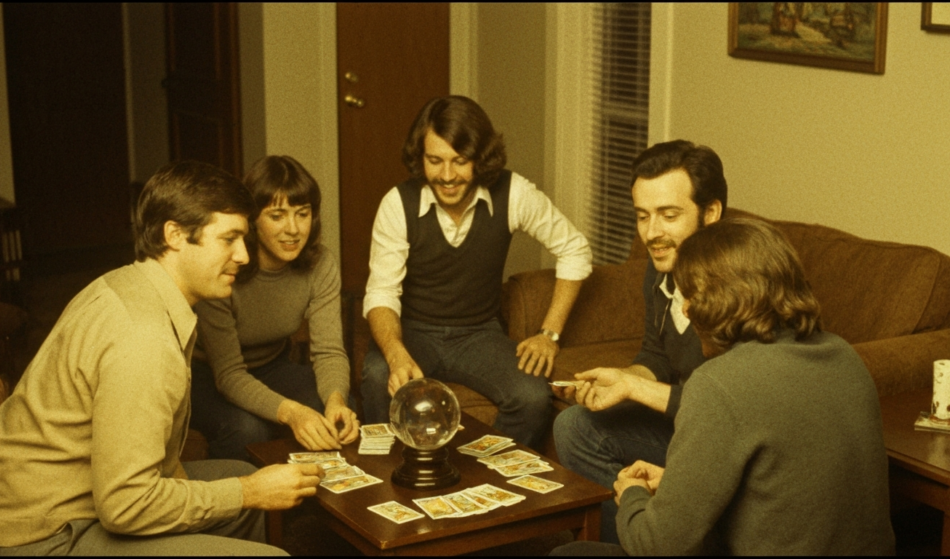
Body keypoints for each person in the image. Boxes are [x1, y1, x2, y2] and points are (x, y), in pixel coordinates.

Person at [0, 161, 323, 555]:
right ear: (174, 235)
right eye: (229, 239)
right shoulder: (143, 339)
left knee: (241, 476)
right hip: (43, 538)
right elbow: (125, 506)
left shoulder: (131, 283)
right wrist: (246, 492)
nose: (244, 255)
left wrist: (243, 490)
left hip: (82, 501)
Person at [553, 218, 896, 555]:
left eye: (692, 296)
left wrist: (632, 495)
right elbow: (787, 488)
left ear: (728, 298)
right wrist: (676, 485)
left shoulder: (719, 383)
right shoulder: (843, 354)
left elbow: (657, 545)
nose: (685, 310)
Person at [360, 95, 592, 447]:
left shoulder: (513, 193)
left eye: (460, 161)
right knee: (377, 375)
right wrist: (395, 354)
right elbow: (381, 292)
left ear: (480, 158)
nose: (447, 176)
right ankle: (387, 479)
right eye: (435, 161)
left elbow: (574, 248)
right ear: (420, 158)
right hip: (413, 330)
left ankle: (480, 476)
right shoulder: (397, 203)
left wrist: (550, 333)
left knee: (531, 397)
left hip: (478, 334)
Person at [551, 139, 726, 543]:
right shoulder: (661, 268)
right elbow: (656, 354)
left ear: (711, 213)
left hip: (723, 443)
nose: (652, 233)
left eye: (669, 215)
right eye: (642, 216)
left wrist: (637, 388)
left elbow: (733, 410)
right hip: (683, 427)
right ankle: (636, 541)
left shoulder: (738, 288)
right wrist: (621, 379)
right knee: (574, 426)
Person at [191, 155, 359, 461]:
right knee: (247, 429)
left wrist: (335, 400)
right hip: (205, 374)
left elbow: (329, 351)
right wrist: (292, 413)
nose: (293, 229)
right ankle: (243, 504)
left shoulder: (320, 263)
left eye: (302, 213)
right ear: (252, 220)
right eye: (277, 216)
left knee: (340, 409)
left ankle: (317, 503)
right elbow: (228, 375)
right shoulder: (226, 265)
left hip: (272, 363)